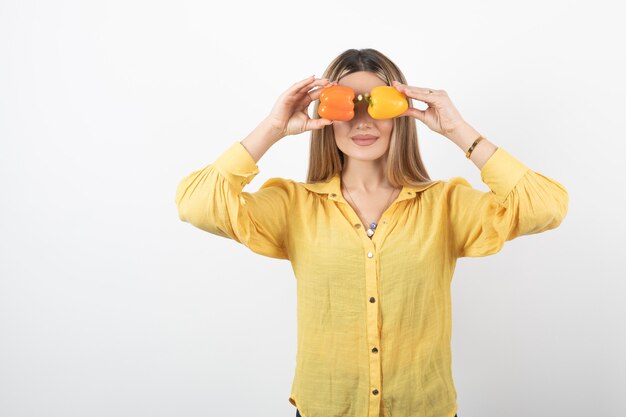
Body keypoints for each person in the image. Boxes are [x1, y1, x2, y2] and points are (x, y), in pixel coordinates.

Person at [175, 48, 568, 417]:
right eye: (348, 104)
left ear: (400, 111)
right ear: (326, 114)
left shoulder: (445, 204)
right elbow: (196, 203)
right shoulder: (293, 204)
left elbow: (545, 206)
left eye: (377, 103)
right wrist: (273, 126)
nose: (362, 121)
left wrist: (458, 130)